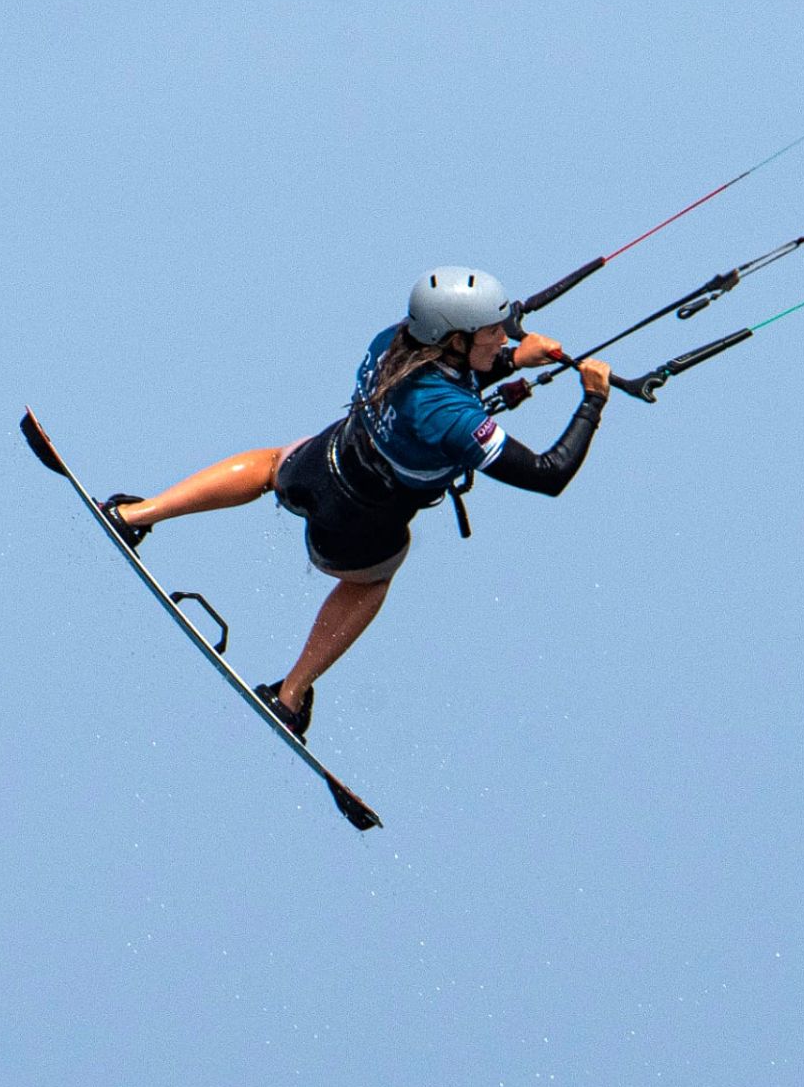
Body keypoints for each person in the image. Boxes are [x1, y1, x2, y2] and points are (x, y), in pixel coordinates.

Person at [101, 267, 612, 740]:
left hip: (317, 468)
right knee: (374, 580)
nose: (504, 337)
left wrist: (513, 357)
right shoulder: (451, 416)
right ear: (456, 339)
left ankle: (135, 515)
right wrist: (592, 399)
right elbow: (549, 475)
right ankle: (290, 693)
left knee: (273, 460)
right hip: (359, 524)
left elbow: (443, 382)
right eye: (491, 332)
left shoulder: (393, 340)